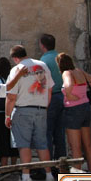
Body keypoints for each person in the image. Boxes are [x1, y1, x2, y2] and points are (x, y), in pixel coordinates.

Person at [5, 45, 55, 181]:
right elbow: (50, 89)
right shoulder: (43, 65)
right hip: (41, 109)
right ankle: (49, 175)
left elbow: (11, 96)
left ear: (15, 58)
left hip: (23, 110)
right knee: (42, 143)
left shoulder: (16, 69)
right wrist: (45, 106)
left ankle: (26, 177)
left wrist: (8, 115)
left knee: (23, 144)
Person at [56, 53, 91, 172]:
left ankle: (77, 175)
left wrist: (69, 95)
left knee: (75, 147)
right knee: (88, 145)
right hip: (85, 107)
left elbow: (68, 85)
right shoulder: (79, 71)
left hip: (73, 109)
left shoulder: (66, 73)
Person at [39, 34, 66, 163]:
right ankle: (61, 164)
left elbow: (41, 82)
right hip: (63, 96)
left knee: (47, 133)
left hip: (50, 97)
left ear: (42, 45)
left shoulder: (43, 61)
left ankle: (47, 166)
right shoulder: (60, 57)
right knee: (60, 133)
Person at [0, 57, 18, 181]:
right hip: (12, 112)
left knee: (2, 140)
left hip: (0, 114)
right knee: (13, 140)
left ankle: (3, 167)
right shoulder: (13, 80)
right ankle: (14, 166)